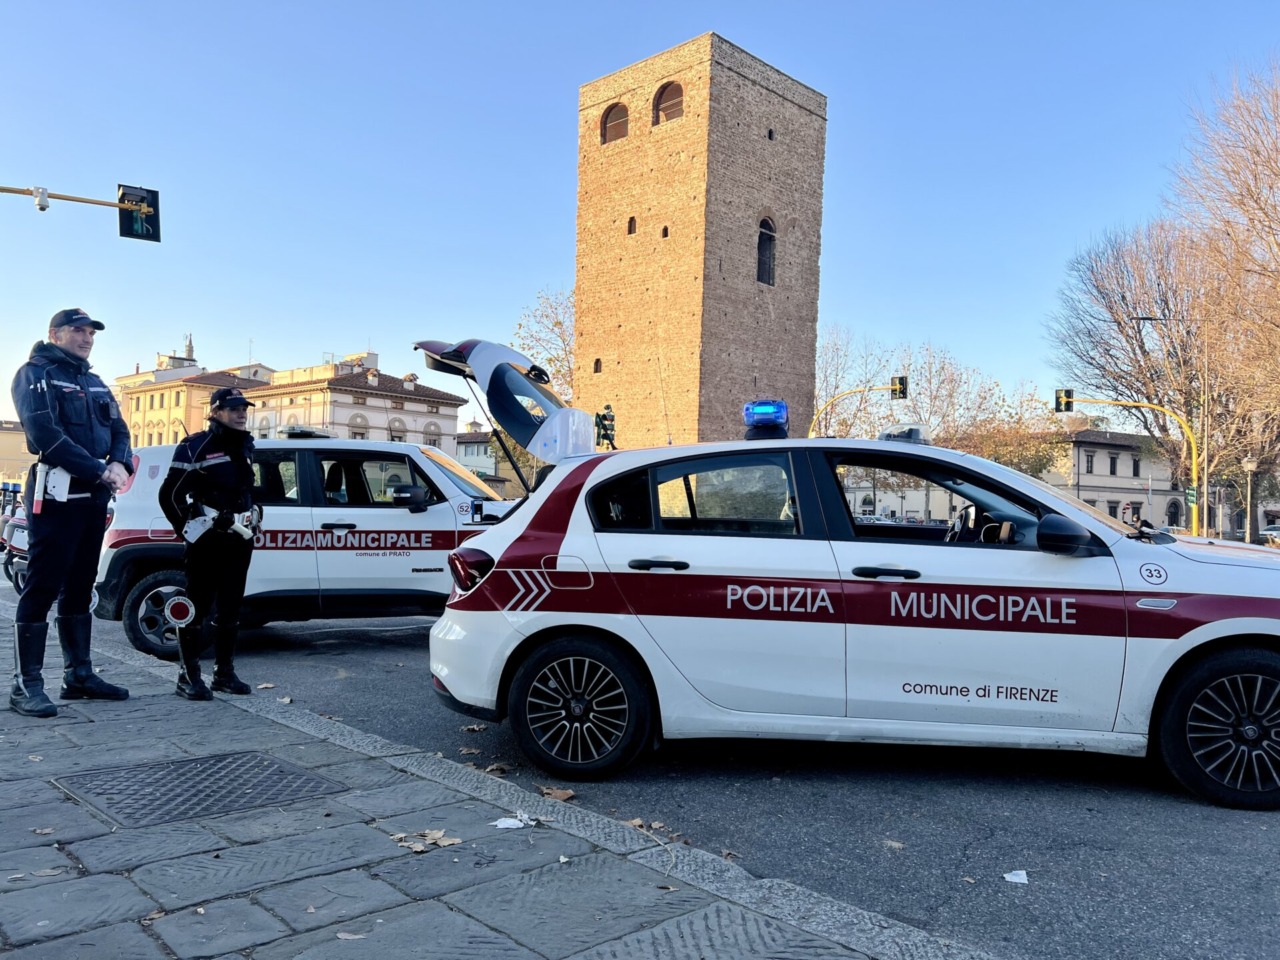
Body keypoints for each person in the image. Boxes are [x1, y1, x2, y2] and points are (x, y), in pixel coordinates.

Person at [10, 308, 132, 718]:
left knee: (81, 586)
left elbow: (121, 431)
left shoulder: (95, 381)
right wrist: (100, 469)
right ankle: (25, 684)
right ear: (55, 334)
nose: (86, 338)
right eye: (77, 331)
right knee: (43, 586)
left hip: (93, 495)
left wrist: (121, 463)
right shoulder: (36, 374)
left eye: (90, 332)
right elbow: (44, 433)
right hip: (57, 496)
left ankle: (78, 675)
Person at [158, 387, 260, 700]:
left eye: (244, 408)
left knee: (231, 607)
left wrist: (255, 513)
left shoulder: (246, 445)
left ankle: (224, 674)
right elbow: (169, 496)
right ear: (215, 411)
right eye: (233, 409)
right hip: (206, 542)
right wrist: (188, 531)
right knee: (196, 608)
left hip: (239, 540)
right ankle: (187, 677)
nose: (241, 414)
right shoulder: (195, 446)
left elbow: (244, 490)